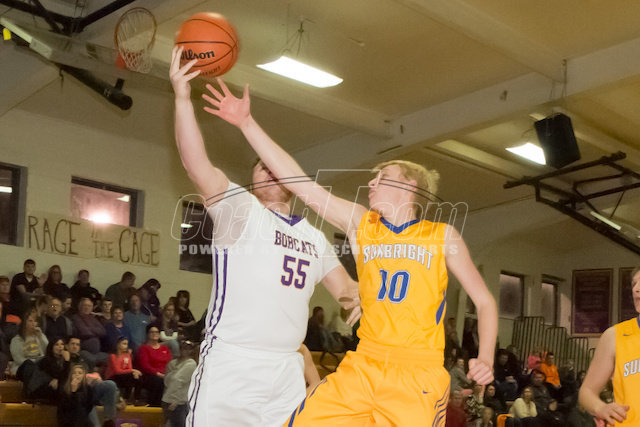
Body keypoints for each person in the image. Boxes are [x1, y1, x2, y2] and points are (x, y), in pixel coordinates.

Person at [200, 72, 498, 425]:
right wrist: (246, 123)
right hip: (364, 364)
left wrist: (486, 357)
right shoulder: (361, 223)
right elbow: (301, 183)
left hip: (416, 372)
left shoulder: (442, 235)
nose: (371, 182)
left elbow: (484, 302)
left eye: (382, 177)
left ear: (409, 185)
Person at [170, 46, 360, 426]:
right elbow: (197, 166)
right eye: (262, 167)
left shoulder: (315, 238)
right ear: (251, 180)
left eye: (276, 167)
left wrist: (373, 297)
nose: (270, 171)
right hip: (233, 363)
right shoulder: (241, 210)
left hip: (286, 369)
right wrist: (182, 98)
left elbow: (346, 291)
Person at [579, 266, 640, 425]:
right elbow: (587, 391)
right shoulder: (614, 336)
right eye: (634, 284)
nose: (636, 289)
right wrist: (600, 407)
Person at [162, 339, 197, 427]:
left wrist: (175, 400)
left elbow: (177, 379)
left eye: (189, 349)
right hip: (167, 399)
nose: (185, 351)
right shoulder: (172, 363)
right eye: (183, 348)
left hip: (179, 402)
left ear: (192, 351)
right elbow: (167, 381)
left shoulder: (191, 364)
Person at [137, 324, 172, 407]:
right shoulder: (144, 348)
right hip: (150, 375)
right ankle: (155, 406)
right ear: (147, 334)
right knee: (158, 381)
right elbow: (145, 366)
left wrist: (168, 374)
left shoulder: (165, 349)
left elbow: (170, 363)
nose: (154, 334)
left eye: (156, 332)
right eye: (152, 332)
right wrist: (158, 374)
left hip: (165, 374)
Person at [71, 297, 108, 367]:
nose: (87, 308)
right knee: (92, 360)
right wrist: (95, 330)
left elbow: (103, 332)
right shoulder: (76, 317)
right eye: (85, 305)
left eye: (89, 306)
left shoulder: (93, 318)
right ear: (80, 306)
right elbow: (85, 332)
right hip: (84, 351)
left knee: (110, 357)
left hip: (97, 353)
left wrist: (89, 328)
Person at [105, 336, 141, 403]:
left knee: (138, 377)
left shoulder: (127, 355)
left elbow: (129, 368)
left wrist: (134, 373)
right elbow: (117, 371)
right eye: (124, 344)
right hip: (113, 377)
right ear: (118, 344)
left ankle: (137, 399)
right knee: (130, 376)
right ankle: (125, 399)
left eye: (127, 344)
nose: (126, 346)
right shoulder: (113, 356)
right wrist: (133, 371)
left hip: (124, 376)